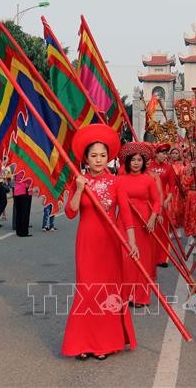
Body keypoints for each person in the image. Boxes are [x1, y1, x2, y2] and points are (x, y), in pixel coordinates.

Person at [62, 124, 137, 361]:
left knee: (107, 291)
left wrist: (132, 242)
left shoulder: (116, 183)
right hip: (86, 242)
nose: (98, 160)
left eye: (102, 155)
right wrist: (80, 188)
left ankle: (105, 342)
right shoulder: (80, 181)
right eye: (93, 155)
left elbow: (125, 214)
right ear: (85, 157)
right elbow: (71, 212)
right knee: (86, 290)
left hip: (110, 244)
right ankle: (82, 343)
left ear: (109, 157)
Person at [117, 142, 161, 307]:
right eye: (133, 160)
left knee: (142, 260)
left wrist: (153, 218)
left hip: (144, 223)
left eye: (139, 160)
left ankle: (140, 296)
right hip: (123, 221)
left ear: (144, 162)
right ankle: (125, 295)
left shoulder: (148, 180)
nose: (136, 163)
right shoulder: (119, 180)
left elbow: (156, 201)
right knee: (126, 259)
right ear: (127, 162)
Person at [147, 143, 175, 267]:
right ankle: (149, 256)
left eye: (166, 153)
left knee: (162, 230)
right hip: (148, 199)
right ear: (156, 154)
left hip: (162, 200)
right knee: (149, 228)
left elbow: (172, 187)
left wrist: (167, 200)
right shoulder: (148, 166)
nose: (165, 156)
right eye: (162, 153)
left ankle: (162, 258)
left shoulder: (168, 168)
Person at [13, 172, 32, 236]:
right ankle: (24, 231)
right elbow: (30, 179)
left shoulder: (17, 167)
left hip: (17, 190)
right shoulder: (27, 167)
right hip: (25, 190)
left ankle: (18, 231)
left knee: (19, 212)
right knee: (25, 213)